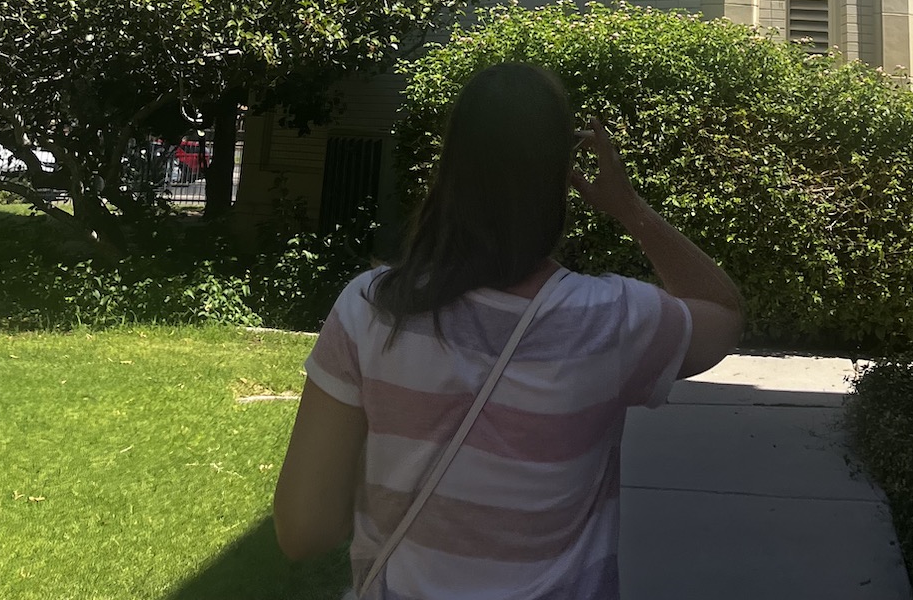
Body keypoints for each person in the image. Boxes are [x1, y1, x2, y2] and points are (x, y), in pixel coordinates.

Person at [274, 61, 743, 597]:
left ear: (451, 167)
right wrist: (628, 207)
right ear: (557, 177)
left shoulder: (371, 308)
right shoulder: (609, 321)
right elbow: (721, 313)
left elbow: (304, 530)